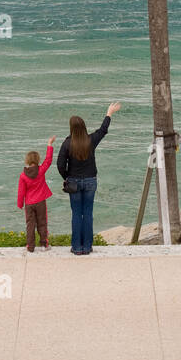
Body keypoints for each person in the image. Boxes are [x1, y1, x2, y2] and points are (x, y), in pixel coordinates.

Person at [57, 103, 121, 255]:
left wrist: (66, 177)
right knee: (88, 213)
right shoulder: (91, 140)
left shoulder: (67, 143)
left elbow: (60, 165)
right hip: (91, 181)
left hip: (74, 182)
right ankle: (87, 247)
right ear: (84, 127)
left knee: (76, 214)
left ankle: (77, 248)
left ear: (71, 128)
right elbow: (103, 130)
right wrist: (109, 113)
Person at [17, 136, 55, 253]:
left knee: (30, 225)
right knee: (42, 223)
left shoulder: (23, 175)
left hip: (29, 203)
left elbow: (21, 191)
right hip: (40, 202)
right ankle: (44, 245)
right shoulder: (41, 170)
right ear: (38, 160)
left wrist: (20, 204)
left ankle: (30, 247)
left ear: (27, 161)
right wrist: (49, 144)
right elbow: (48, 160)